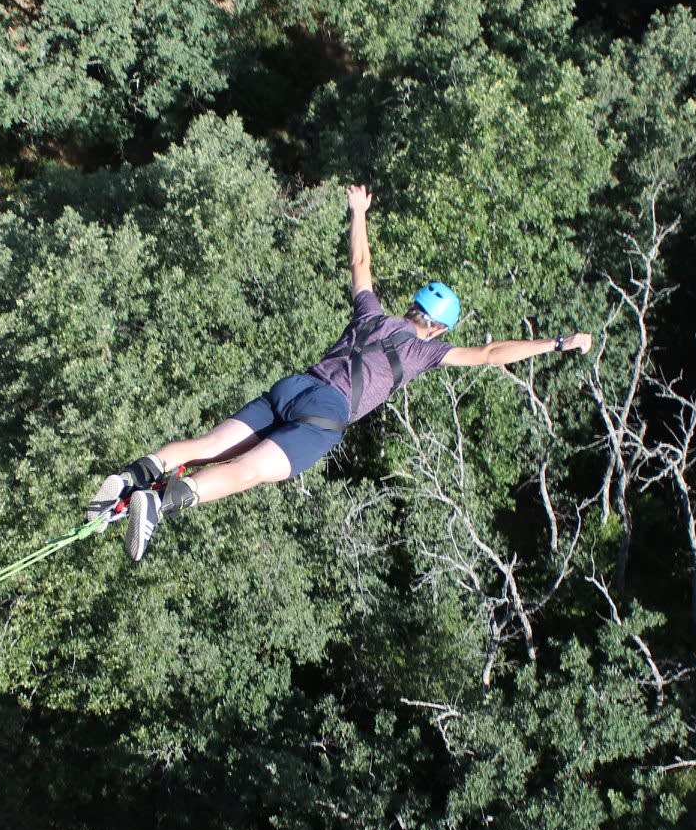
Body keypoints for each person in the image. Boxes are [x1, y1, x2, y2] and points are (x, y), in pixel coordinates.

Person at [90, 184, 594, 560]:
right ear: (438, 330)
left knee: (207, 445)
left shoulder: (372, 313)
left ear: (413, 307)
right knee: (245, 473)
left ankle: (128, 480)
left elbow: (360, 261)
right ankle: (162, 505)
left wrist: (358, 212)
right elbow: (489, 354)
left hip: (293, 386)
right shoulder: (426, 353)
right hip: (325, 410)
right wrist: (558, 342)